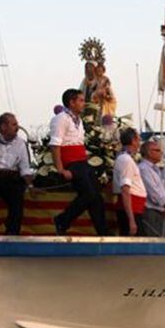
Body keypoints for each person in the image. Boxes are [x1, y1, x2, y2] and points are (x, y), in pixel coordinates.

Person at [50, 89, 107, 236]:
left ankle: (102, 230)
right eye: (81, 100)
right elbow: (55, 145)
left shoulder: (78, 120)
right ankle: (63, 219)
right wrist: (61, 169)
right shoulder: (61, 118)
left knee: (96, 196)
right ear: (71, 102)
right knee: (88, 194)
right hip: (72, 162)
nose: (83, 103)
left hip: (82, 161)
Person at [112, 128, 146, 236]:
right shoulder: (125, 160)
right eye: (138, 139)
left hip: (136, 208)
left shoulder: (126, 158)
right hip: (131, 209)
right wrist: (131, 219)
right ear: (133, 140)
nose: (139, 143)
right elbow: (125, 190)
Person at [138, 140, 165, 236]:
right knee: (152, 241)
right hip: (151, 211)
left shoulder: (155, 169)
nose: (161, 153)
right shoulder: (143, 168)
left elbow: (162, 190)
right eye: (158, 150)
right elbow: (153, 192)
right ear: (149, 152)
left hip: (159, 211)